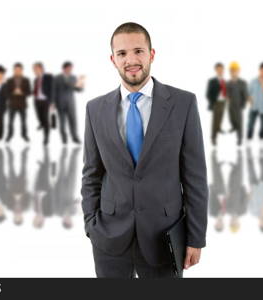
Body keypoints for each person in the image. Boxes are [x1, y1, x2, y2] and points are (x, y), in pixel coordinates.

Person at [81, 22, 208, 278]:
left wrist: (195, 237)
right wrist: (90, 224)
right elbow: (91, 174)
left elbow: (195, 177)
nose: (131, 60)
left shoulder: (183, 104)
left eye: (138, 51)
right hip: (109, 236)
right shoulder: (95, 109)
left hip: (164, 236)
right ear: (113, 60)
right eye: (122, 54)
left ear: (151, 54)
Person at [52, 61, 84, 144]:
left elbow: (78, 90)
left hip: (71, 103)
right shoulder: (57, 78)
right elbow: (53, 91)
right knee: (62, 121)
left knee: (73, 121)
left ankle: (74, 137)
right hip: (60, 103)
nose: (70, 70)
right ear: (64, 68)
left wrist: (81, 82)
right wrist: (53, 103)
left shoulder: (73, 77)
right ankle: (64, 139)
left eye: (71, 68)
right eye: (69, 68)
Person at [5, 63, 31, 142]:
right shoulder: (9, 80)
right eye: (16, 70)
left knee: (23, 122)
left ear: (22, 70)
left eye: (19, 70)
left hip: (22, 105)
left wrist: (22, 93)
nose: (17, 71)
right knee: (10, 122)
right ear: (13, 70)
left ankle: (24, 135)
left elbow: (29, 92)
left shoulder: (26, 80)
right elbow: (6, 93)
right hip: (12, 104)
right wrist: (13, 92)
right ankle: (9, 135)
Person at [247, 62, 263, 142]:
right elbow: (248, 93)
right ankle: (249, 140)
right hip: (253, 107)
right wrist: (250, 100)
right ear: (259, 70)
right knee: (250, 125)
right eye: (262, 70)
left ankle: (262, 142)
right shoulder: (253, 81)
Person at [226, 61, 249, 146]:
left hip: (239, 105)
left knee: (239, 122)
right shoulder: (228, 83)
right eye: (232, 70)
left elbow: (245, 95)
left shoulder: (242, 83)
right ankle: (234, 127)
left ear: (238, 71)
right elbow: (227, 93)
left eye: (235, 70)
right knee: (231, 118)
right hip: (231, 105)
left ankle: (240, 138)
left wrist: (243, 105)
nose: (233, 72)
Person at [32, 62, 54, 145]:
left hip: (45, 101)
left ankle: (46, 137)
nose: (34, 71)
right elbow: (36, 89)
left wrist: (52, 102)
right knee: (39, 116)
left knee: (45, 118)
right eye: (34, 69)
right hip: (37, 101)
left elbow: (52, 89)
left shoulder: (48, 77)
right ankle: (41, 123)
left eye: (35, 69)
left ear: (41, 68)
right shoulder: (35, 79)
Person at [205, 62, 226, 146]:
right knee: (215, 121)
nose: (220, 71)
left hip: (223, 102)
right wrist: (213, 102)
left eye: (222, 69)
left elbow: (225, 90)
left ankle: (219, 129)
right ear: (216, 70)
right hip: (216, 103)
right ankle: (213, 137)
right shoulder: (212, 81)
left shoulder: (224, 80)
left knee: (220, 118)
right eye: (219, 69)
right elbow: (208, 94)